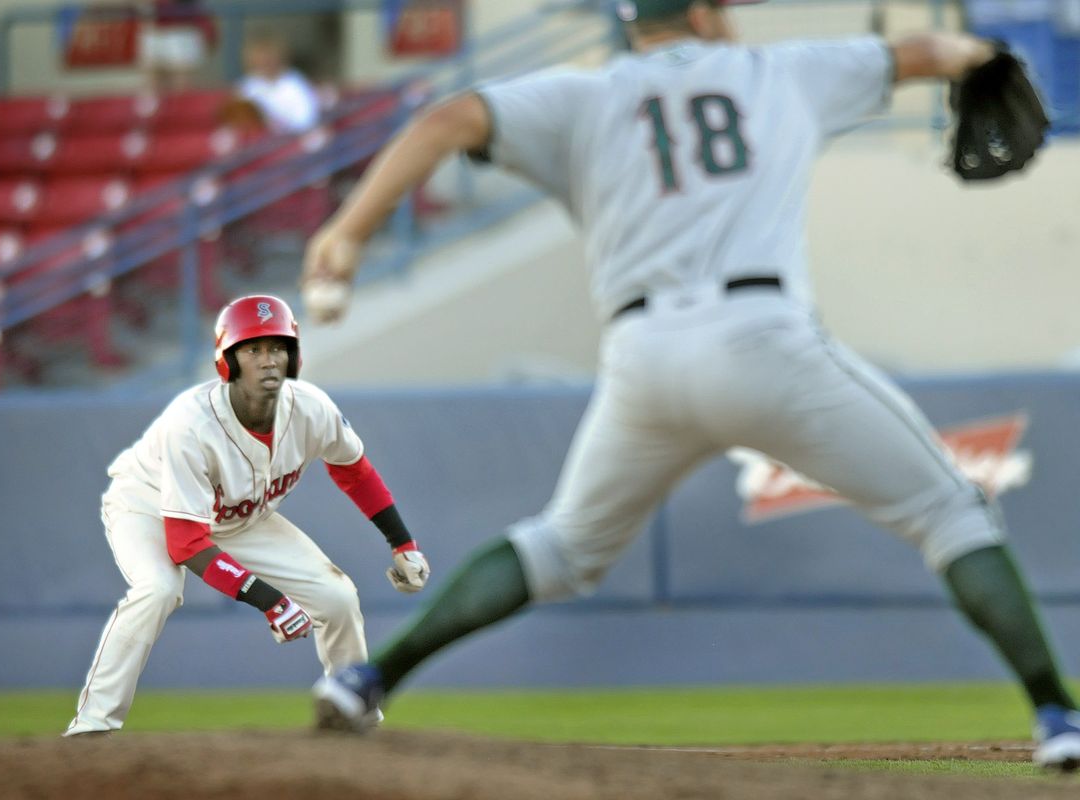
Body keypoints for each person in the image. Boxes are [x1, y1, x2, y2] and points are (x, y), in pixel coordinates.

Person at [301, 0, 1080, 771]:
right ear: (705, 14)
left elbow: (445, 121)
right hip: (763, 339)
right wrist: (983, 57)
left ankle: (368, 679)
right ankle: (1057, 715)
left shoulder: (586, 94)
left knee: (563, 546)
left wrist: (346, 234)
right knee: (948, 510)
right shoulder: (778, 70)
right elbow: (928, 51)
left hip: (644, 358)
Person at [64, 295, 430, 736]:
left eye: (277, 347)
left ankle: (355, 717)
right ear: (228, 361)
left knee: (338, 599)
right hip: (148, 505)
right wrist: (268, 599)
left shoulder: (311, 408)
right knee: (158, 589)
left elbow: (354, 471)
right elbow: (185, 544)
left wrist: (402, 543)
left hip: (241, 519)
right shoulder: (193, 424)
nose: (268, 359)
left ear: (292, 356)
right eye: (252, 349)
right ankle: (92, 727)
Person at [236, 32, 321, 135]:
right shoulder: (248, 85)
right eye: (259, 57)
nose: (264, 61)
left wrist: (278, 125)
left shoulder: (294, 83)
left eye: (269, 56)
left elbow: (307, 120)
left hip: (289, 142)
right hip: (257, 144)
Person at [140, 0, 216, 93]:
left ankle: (183, 105)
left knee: (180, 84)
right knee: (153, 84)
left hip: (181, 29)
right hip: (154, 28)